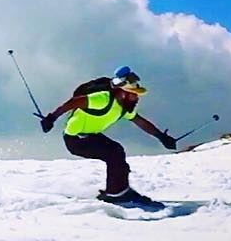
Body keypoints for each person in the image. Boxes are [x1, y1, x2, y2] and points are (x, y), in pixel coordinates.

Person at [39, 66, 176, 205]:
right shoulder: (103, 99)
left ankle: (120, 191)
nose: (137, 98)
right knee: (114, 153)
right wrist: (51, 118)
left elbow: (140, 122)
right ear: (122, 93)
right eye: (134, 94)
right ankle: (115, 194)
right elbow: (73, 102)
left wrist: (162, 137)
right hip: (75, 140)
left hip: (91, 136)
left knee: (117, 154)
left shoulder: (123, 108)